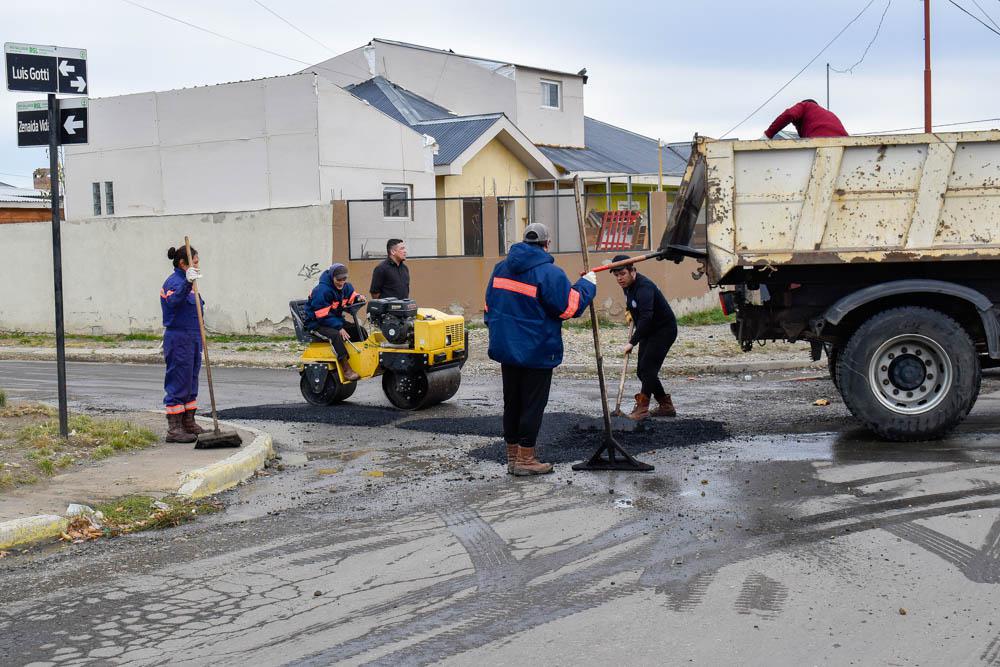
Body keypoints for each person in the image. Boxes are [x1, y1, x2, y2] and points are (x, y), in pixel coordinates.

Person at [485, 223, 597, 476]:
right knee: (532, 405)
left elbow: (489, 305)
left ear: (523, 241)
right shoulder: (550, 273)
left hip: (507, 348)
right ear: (547, 244)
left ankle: (513, 457)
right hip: (537, 350)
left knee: (512, 403)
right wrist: (587, 284)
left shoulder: (500, 268)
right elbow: (568, 307)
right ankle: (526, 460)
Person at [610, 254, 678, 420]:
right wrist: (629, 312)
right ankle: (665, 405)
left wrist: (632, 342)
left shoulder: (644, 287)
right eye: (616, 275)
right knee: (642, 371)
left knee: (648, 367)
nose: (619, 278)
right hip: (648, 330)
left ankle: (642, 408)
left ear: (633, 271)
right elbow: (633, 305)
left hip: (663, 330)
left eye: (622, 274)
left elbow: (647, 318)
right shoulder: (628, 286)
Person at [160, 244, 207, 443]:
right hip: (179, 339)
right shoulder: (174, 283)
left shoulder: (191, 284)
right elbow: (173, 302)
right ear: (183, 263)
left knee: (191, 381)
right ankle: (175, 428)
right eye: (194, 262)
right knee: (178, 380)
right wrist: (187, 284)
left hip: (194, 338)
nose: (198, 266)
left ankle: (189, 421)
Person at [306, 263, 366, 381]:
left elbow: (351, 297)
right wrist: (339, 327)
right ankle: (346, 368)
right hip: (317, 324)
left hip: (334, 321)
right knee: (336, 335)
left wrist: (359, 298)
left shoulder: (346, 287)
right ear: (332, 277)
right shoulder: (321, 291)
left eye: (344, 279)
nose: (341, 282)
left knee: (359, 330)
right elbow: (321, 316)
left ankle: (362, 360)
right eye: (338, 279)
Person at [764, 99, 848, 139]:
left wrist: (767, 135)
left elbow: (789, 114)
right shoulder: (831, 114)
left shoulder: (806, 105)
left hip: (818, 142)